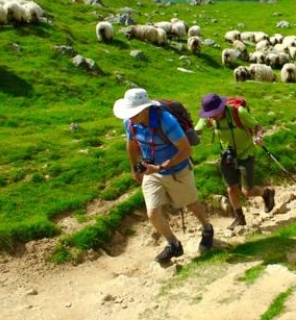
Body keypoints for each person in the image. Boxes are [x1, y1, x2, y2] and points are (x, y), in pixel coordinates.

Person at [113, 88, 214, 263]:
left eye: (133, 113)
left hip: (177, 170)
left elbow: (186, 150)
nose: (130, 117)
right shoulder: (130, 122)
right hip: (151, 171)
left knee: (191, 203)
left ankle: (207, 228)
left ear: (145, 109)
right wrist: (134, 168)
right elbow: (131, 144)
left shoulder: (166, 121)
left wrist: (160, 167)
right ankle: (173, 244)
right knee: (152, 212)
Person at [194, 93, 275, 230]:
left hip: (246, 154)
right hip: (227, 156)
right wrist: (190, 134)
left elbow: (258, 127)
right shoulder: (209, 117)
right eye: (209, 114)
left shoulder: (239, 112)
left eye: (214, 113)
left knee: (247, 191)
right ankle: (240, 218)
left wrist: (258, 136)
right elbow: (198, 129)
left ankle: (266, 193)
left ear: (221, 108)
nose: (212, 116)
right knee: (231, 188)